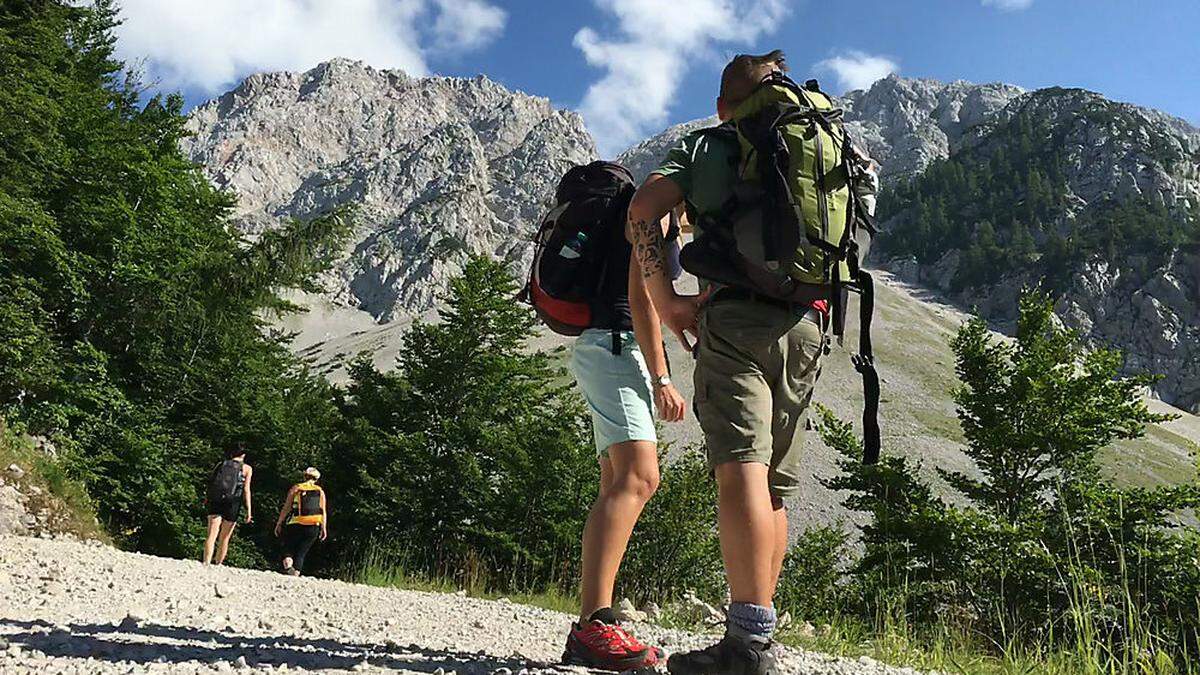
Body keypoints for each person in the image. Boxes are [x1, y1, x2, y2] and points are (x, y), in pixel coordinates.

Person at [627, 50, 847, 674]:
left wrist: (667, 301)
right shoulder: (825, 139)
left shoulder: (715, 143)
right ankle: (760, 634)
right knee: (775, 484)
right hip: (808, 323)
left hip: (735, 319)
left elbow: (643, 208)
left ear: (725, 104)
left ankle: (746, 646)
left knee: (739, 468)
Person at [560, 187, 687, 671]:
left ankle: (596, 622)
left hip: (607, 345)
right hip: (616, 346)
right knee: (640, 477)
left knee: (616, 480)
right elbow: (640, 297)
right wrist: (662, 379)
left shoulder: (653, 209)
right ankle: (594, 626)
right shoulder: (652, 211)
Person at [202, 445, 253, 566]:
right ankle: (218, 564)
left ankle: (206, 562)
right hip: (233, 503)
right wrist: (249, 510)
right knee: (224, 537)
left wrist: (207, 498)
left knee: (211, 534)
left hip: (216, 501)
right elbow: (246, 490)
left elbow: (211, 483)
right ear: (243, 455)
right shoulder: (247, 468)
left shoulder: (221, 464)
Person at [274, 467, 328, 576]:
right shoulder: (320, 491)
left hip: (296, 523)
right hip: (313, 525)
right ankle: (296, 574)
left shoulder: (296, 488)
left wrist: (279, 523)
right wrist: (323, 527)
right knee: (302, 552)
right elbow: (323, 511)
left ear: (305, 476)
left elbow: (286, 507)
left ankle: (288, 566)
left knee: (287, 546)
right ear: (316, 479)